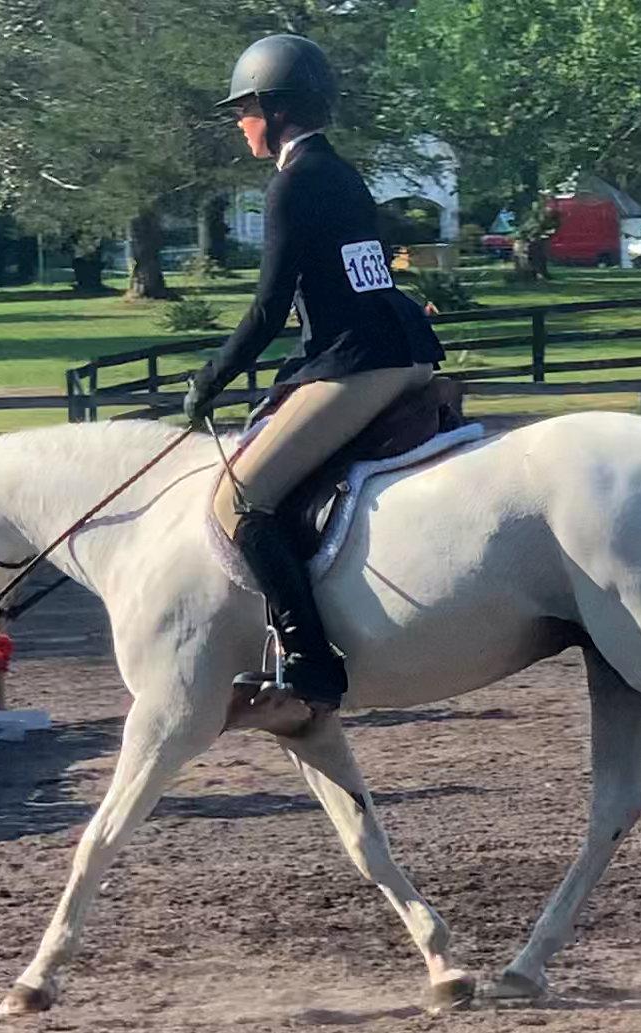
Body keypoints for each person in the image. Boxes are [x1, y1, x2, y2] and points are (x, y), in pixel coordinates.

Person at [183, 33, 444, 711]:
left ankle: (309, 657)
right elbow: (349, 285)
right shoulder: (343, 173)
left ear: (274, 111)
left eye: (244, 110)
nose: (240, 124)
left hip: (363, 361)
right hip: (397, 346)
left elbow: (270, 309)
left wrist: (211, 378)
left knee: (237, 500)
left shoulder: (293, 185)